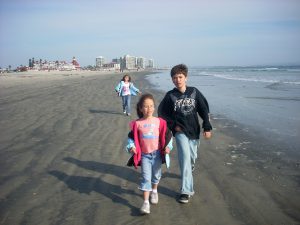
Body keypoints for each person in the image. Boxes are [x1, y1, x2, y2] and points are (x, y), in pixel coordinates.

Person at [158, 64, 212, 204]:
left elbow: (204, 109)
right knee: (185, 158)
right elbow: (162, 114)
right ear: (172, 80)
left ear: (186, 78)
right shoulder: (170, 95)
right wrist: (173, 126)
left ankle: (191, 165)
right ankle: (186, 191)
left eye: (180, 77)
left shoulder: (194, 92)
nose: (178, 80)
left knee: (192, 157)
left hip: (194, 130)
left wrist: (207, 127)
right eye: (174, 78)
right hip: (180, 131)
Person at [126, 93, 173, 214]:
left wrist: (168, 147)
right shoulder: (137, 124)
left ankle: (155, 191)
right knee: (146, 178)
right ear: (141, 108)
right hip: (145, 156)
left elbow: (169, 136)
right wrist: (131, 147)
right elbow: (131, 138)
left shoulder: (159, 122)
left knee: (156, 175)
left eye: (151, 106)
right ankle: (146, 203)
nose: (149, 109)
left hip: (157, 154)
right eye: (145, 106)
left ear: (154, 107)